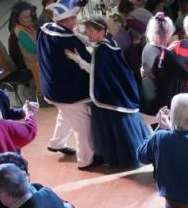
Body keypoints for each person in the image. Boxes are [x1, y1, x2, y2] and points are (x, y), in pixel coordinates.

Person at [65, 18, 151, 169]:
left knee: (114, 127)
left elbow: (94, 71)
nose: (88, 34)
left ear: (101, 32)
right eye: (88, 32)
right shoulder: (108, 42)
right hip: (119, 90)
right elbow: (92, 42)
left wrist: (76, 59)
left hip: (110, 95)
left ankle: (124, 157)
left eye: (91, 31)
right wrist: (77, 35)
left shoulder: (103, 51)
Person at [38, 0, 98, 169]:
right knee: (83, 125)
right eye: (75, 18)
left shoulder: (45, 30)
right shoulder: (68, 40)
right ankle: (86, 160)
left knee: (65, 114)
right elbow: (88, 62)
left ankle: (57, 143)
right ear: (70, 20)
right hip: (69, 93)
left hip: (51, 87)